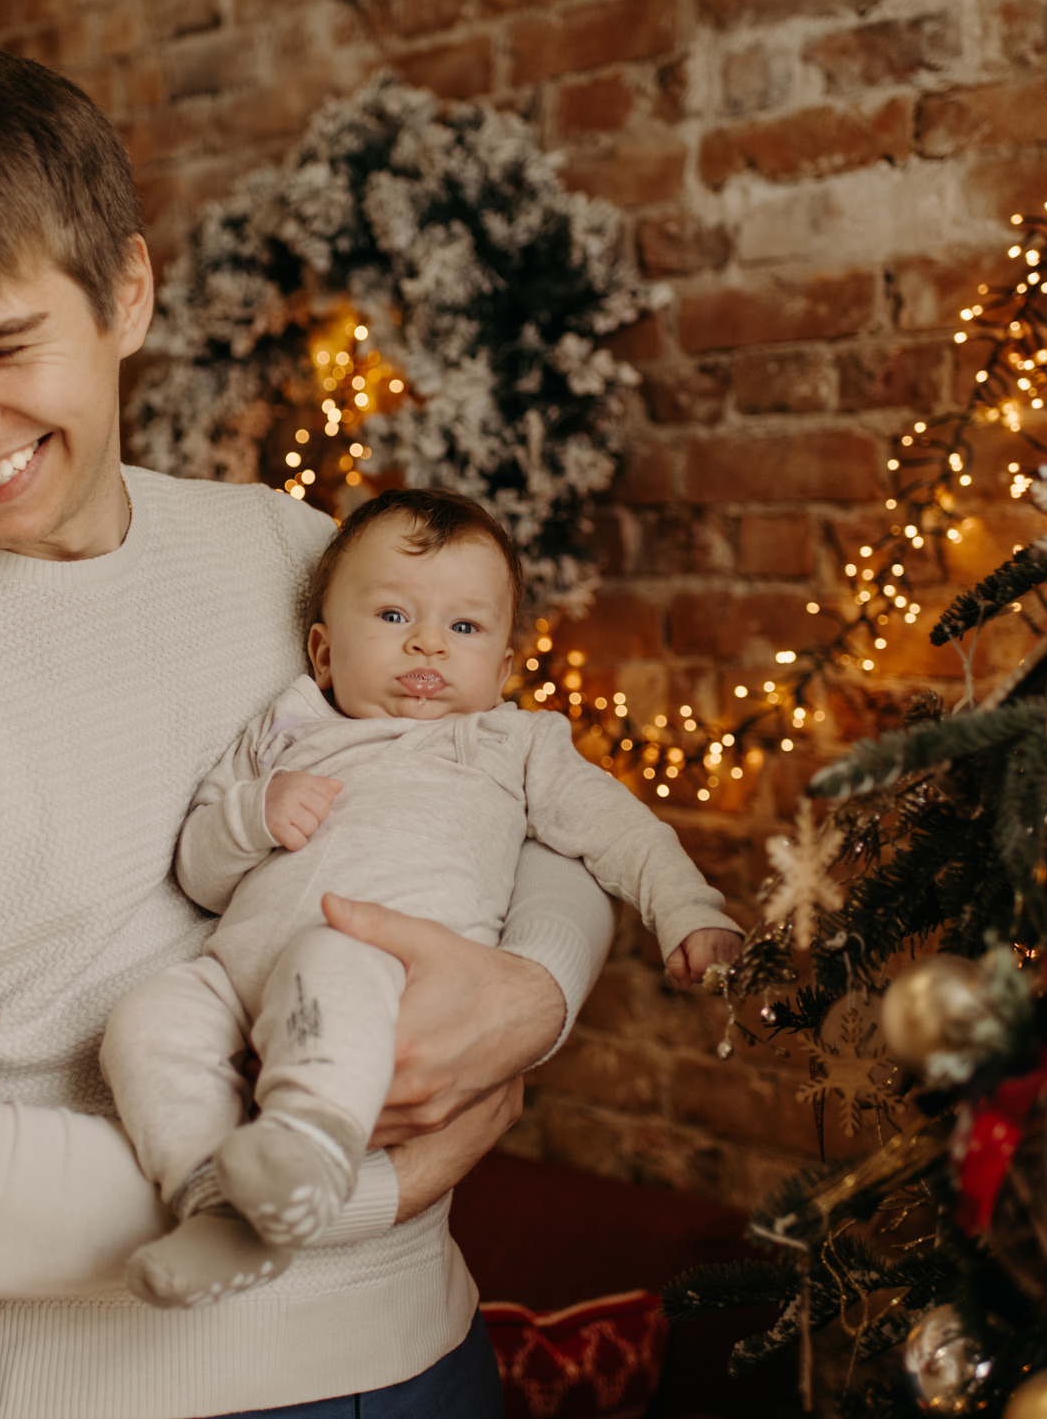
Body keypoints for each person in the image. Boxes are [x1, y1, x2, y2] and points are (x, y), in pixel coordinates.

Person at [0, 40, 619, 1419]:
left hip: (428, 1361)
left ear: (127, 293)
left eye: (1, 344)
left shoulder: (283, 548)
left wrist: (536, 995)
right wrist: (354, 1178)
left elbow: (522, 788)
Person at [104, 488, 745, 1309]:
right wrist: (252, 814)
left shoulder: (510, 743)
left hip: (383, 967)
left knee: (332, 957)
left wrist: (686, 908)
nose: (429, 646)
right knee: (145, 1022)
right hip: (234, 974)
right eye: (394, 617)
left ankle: (307, 1148)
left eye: (465, 628)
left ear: (505, 669)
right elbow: (199, 871)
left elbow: (619, 831)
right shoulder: (287, 729)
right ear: (325, 654)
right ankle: (216, 1206)